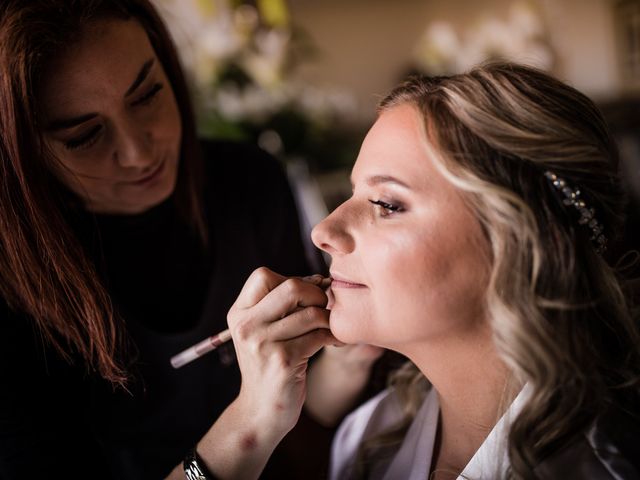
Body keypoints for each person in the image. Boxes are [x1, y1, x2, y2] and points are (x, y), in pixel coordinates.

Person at [0, 1, 382, 479]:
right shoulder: (12, 293)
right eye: (84, 136)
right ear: (19, 146)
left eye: (146, 96)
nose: (139, 152)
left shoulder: (248, 182)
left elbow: (308, 420)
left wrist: (349, 359)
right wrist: (249, 424)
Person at [304, 63, 639, 479]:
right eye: (352, 193)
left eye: (387, 204)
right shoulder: (365, 438)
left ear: (515, 242)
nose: (324, 231)